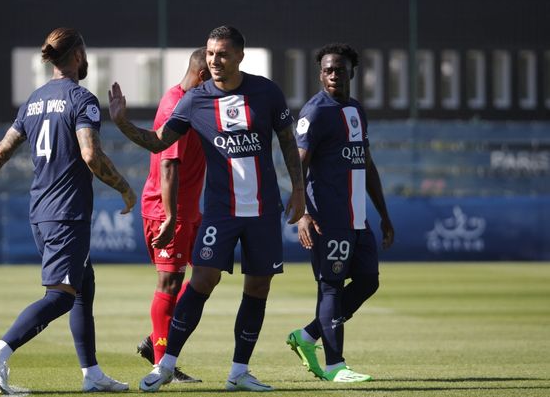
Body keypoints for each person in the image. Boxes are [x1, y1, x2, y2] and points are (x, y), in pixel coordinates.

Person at [109, 25, 305, 393]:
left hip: (263, 210)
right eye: (211, 54)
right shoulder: (194, 99)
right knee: (201, 281)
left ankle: (239, 372)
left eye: (224, 54)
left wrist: (298, 189)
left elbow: (287, 142)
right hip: (220, 211)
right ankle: (165, 365)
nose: (215, 60)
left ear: (240, 57)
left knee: (258, 288)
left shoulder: (266, 92)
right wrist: (122, 123)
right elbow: (159, 143)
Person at [0, 27, 136, 394]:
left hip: (42, 210)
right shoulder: (82, 99)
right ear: (78, 55)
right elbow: (91, 154)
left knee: (83, 285)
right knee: (61, 296)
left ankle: (92, 373)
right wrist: (126, 189)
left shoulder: (33, 101)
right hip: (66, 212)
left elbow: (2, 150)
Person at [286, 43, 395, 383]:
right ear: (321, 74)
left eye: (340, 69)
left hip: (357, 217)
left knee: (367, 281)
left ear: (352, 72)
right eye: (328, 69)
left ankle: (307, 336)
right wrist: (302, 213)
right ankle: (335, 366)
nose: (334, 74)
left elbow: (366, 161)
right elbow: (297, 164)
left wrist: (384, 213)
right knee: (331, 286)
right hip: (327, 217)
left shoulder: (357, 110)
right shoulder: (314, 112)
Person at [135, 48, 210, 384]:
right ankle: (162, 362)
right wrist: (169, 217)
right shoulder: (174, 105)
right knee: (169, 282)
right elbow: (168, 165)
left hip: (190, 210)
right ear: (204, 76)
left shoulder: (197, 103)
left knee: (206, 276)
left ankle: (156, 340)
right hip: (169, 211)